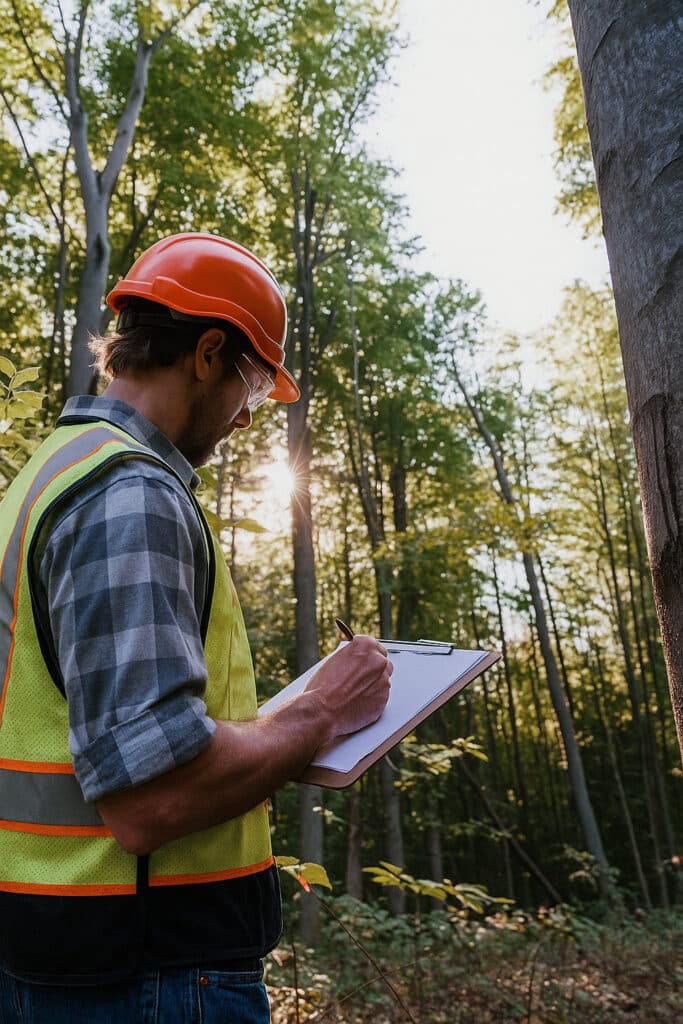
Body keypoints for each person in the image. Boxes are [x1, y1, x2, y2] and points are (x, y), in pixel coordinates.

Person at [0, 233, 392, 1023]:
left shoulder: (47, 474)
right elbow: (151, 797)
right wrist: (323, 716)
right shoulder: (128, 496)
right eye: (253, 385)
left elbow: (132, 738)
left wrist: (290, 711)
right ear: (207, 353)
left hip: (64, 959)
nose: (248, 419)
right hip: (145, 976)